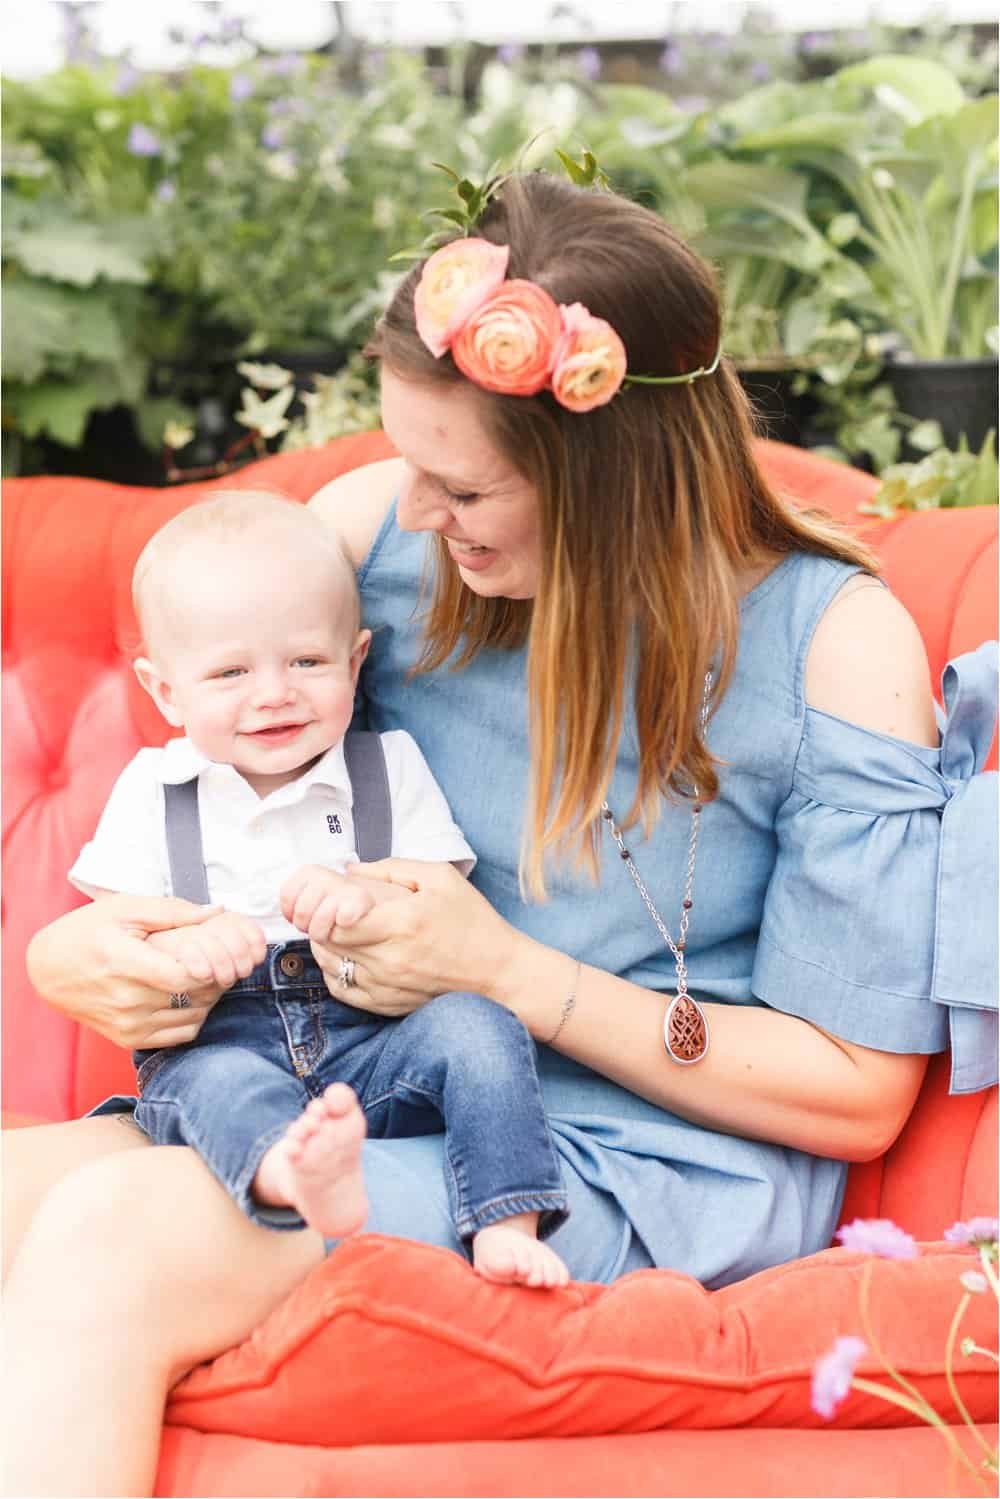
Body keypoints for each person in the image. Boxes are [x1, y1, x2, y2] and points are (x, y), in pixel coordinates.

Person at [4, 171, 996, 1499]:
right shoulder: (382, 544)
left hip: (630, 1158)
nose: (409, 509)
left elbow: (857, 1088)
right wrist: (81, 953)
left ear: (610, 480)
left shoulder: (828, 643)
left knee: (122, 1229)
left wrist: (511, 973)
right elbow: (203, 785)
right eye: (403, 457)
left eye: (458, 483)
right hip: (356, 1087)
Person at [64, 489, 571, 1287]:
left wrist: (363, 906)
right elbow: (116, 932)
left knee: (478, 1027)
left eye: (306, 661)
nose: (274, 693)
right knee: (214, 1087)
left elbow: (435, 900)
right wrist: (186, 945)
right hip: (224, 1040)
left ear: (356, 659)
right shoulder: (156, 789)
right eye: (230, 672)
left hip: (373, 1041)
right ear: (165, 693)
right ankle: (292, 1176)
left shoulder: (386, 767)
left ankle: (508, 1216)